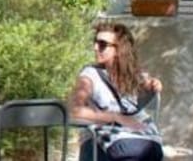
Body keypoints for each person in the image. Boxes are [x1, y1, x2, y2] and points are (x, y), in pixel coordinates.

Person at [68, 22, 165, 161]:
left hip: (134, 143)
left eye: (102, 44)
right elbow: (74, 111)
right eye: (95, 42)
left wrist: (154, 85)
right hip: (100, 146)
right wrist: (114, 117)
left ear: (119, 49)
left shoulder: (133, 75)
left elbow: (147, 88)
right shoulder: (89, 75)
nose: (95, 48)